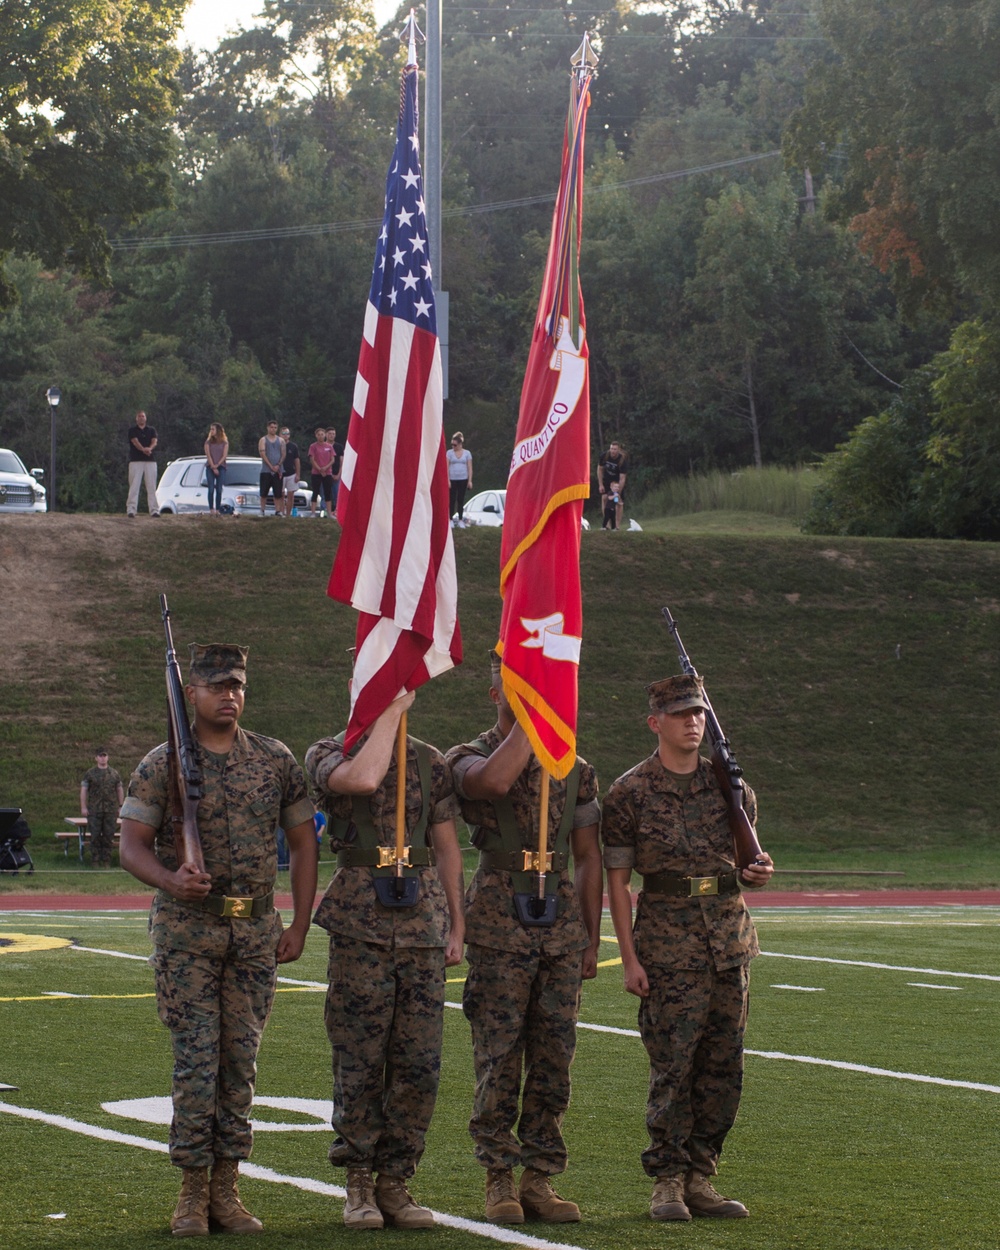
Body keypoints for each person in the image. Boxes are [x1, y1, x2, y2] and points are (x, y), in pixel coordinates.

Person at [119, 643, 317, 1237]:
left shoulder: (275, 759)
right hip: (188, 936)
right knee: (195, 1062)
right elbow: (130, 845)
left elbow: (305, 844)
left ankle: (227, 1190)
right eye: (218, 686)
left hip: (255, 934)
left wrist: (300, 923)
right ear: (191, 695)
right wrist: (170, 880)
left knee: (240, 1062)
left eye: (238, 686)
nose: (230, 695)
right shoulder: (163, 765)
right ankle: (191, 1192)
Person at [601, 674, 774, 1223]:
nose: (692, 721)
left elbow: (749, 863)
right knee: (672, 1065)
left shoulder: (732, 787)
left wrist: (758, 871)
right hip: (667, 945)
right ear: (655, 722)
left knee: (724, 1064)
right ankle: (668, 1181)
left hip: (728, 940)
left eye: (698, 713)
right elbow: (618, 884)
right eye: (680, 714)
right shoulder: (630, 792)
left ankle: (702, 1175)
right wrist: (628, 958)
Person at [445, 652, 602, 1225]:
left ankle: (540, 1177)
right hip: (498, 922)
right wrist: (538, 723)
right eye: (517, 689)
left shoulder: (576, 768)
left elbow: (587, 857)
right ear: (495, 696)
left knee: (554, 1058)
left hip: (560, 924)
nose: (530, 698)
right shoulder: (468, 755)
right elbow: (495, 781)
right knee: (499, 1056)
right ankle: (498, 1177)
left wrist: (591, 935)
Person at [306, 691, 465, 1230]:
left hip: (422, 926)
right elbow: (363, 781)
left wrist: (457, 924)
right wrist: (390, 714)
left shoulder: (431, 761)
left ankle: (396, 1181)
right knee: (359, 1060)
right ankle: (358, 1182)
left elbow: (446, 847)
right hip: (360, 925)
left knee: (419, 1064)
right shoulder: (330, 751)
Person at [80, 749, 124, 867]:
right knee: (94, 835)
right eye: (100, 756)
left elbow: (119, 789)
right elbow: (84, 790)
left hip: (110, 810)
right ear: (96, 758)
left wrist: (121, 806)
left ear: (108, 757)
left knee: (108, 836)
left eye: (104, 756)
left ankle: (106, 860)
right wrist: (83, 807)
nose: (102, 758)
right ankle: (95, 860)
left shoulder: (114, 774)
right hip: (94, 810)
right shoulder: (90, 773)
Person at [127, 410, 160, 517]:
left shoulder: (151, 430)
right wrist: (143, 449)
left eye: (143, 416)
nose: (141, 418)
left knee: (151, 486)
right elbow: (135, 442)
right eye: (139, 416)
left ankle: (154, 510)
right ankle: (131, 509)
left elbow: (154, 441)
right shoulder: (132, 430)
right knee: (134, 486)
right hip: (136, 461)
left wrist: (149, 448)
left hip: (150, 461)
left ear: (145, 418)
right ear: (137, 419)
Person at [597, 440, 627, 530]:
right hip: (607, 480)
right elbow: (600, 469)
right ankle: (608, 524)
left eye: (615, 449)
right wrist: (600, 484)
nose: (613, 451)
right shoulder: (604, 456)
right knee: (604, 499)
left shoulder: (622, 460)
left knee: (618, 502)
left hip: (617, 482)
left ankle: (617, 525)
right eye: (611, 449)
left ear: (618, 450)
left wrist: (618, 492)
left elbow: (622, 478)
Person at [258, 421, 285, 517]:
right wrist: (270, 466)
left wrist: (278, 465)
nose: (273, 429)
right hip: (266, 470)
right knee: (264, 492)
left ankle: (278, 511)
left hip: (278, 470)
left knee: (278, 492)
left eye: (275, 427)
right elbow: (262, 453)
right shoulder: (263, 440)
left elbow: (283, 454)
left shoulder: (281, 441)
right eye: (271, 427)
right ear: (268, 428)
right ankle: (262, 510)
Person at [308, 428, 336, 519]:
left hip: (327, 473)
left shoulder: (329, 446)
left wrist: (325, 468)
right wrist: (320, 469)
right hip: (316, 473)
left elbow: (333, 459)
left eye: (322, 434)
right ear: (316, 436)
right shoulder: (313, 446)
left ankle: (329, 513)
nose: (321, 436)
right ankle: (313, 513)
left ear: (325, 435)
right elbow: (312, 459)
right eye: (319, 434)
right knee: (315, 492)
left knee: (328, 493)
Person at [447, 432, 473, 525]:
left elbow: (469, 467)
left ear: (460, 444)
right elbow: (447, 466)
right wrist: (448, 479)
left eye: (455, 445)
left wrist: (469, 480)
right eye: (452, 445)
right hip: (453, 479)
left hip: (463, 479)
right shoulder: (449, 453)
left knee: (460, 499)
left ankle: (461, 519)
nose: (453, 446)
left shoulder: (467, 453)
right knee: (452, 499)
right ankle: (450, 519)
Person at [204, 423, 229, 515]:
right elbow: (208, 455)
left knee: (219, 488)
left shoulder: (224, 442)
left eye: (213, 429)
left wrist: (218, 465)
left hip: (221, 466)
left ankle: (218, 509)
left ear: (218, 430)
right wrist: (213, 466)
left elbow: (224, 455)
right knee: (211, 488)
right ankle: (211, 509)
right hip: (210, 466)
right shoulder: (208, 442)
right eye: (211, 429)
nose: (211, 431)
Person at [279, 427, 301, 517]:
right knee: (280, 494)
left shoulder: (293, 446)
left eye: (287, 433)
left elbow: (297, 460)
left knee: (290, 494)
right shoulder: (277, 445)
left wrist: (298, 474)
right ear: (280, 434)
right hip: (280, 473)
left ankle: (288, 514)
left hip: (291, 473)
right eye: (283, 433)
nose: (285, 435)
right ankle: (281, 512)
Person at [326, 426, 344, 512]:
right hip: (325, 474)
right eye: (330, 434)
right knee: (325, 494)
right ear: (326, 435)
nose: (331, 435)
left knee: (337, 494)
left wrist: (338, 475)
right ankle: (325, 511)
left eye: (333, 434)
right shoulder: (321, 446)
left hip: (336, 474)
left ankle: (337, 511)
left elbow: (342, 462)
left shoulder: (339, 447)